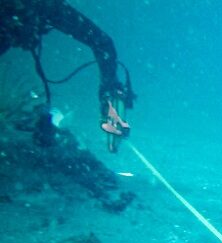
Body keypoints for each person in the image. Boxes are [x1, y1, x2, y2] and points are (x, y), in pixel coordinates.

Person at [0, 0, 132, 142]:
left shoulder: (46, 8)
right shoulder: (42, 9)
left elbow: (102, 42)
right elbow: (102, 42)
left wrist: (109, 91)